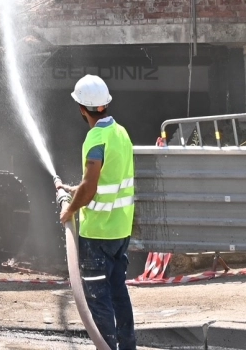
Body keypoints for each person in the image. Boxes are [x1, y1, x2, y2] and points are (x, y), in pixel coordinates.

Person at [58, 74, 136, 350]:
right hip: (121, 231)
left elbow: (90, 188)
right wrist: (75, 189)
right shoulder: (121, 133)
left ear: (82, 108)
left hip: (98, 235)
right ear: (105, 104)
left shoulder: (95, 138)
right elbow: (102, 181)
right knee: (118, 293)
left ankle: (106, 347)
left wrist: (69, 208)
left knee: (98, 298)